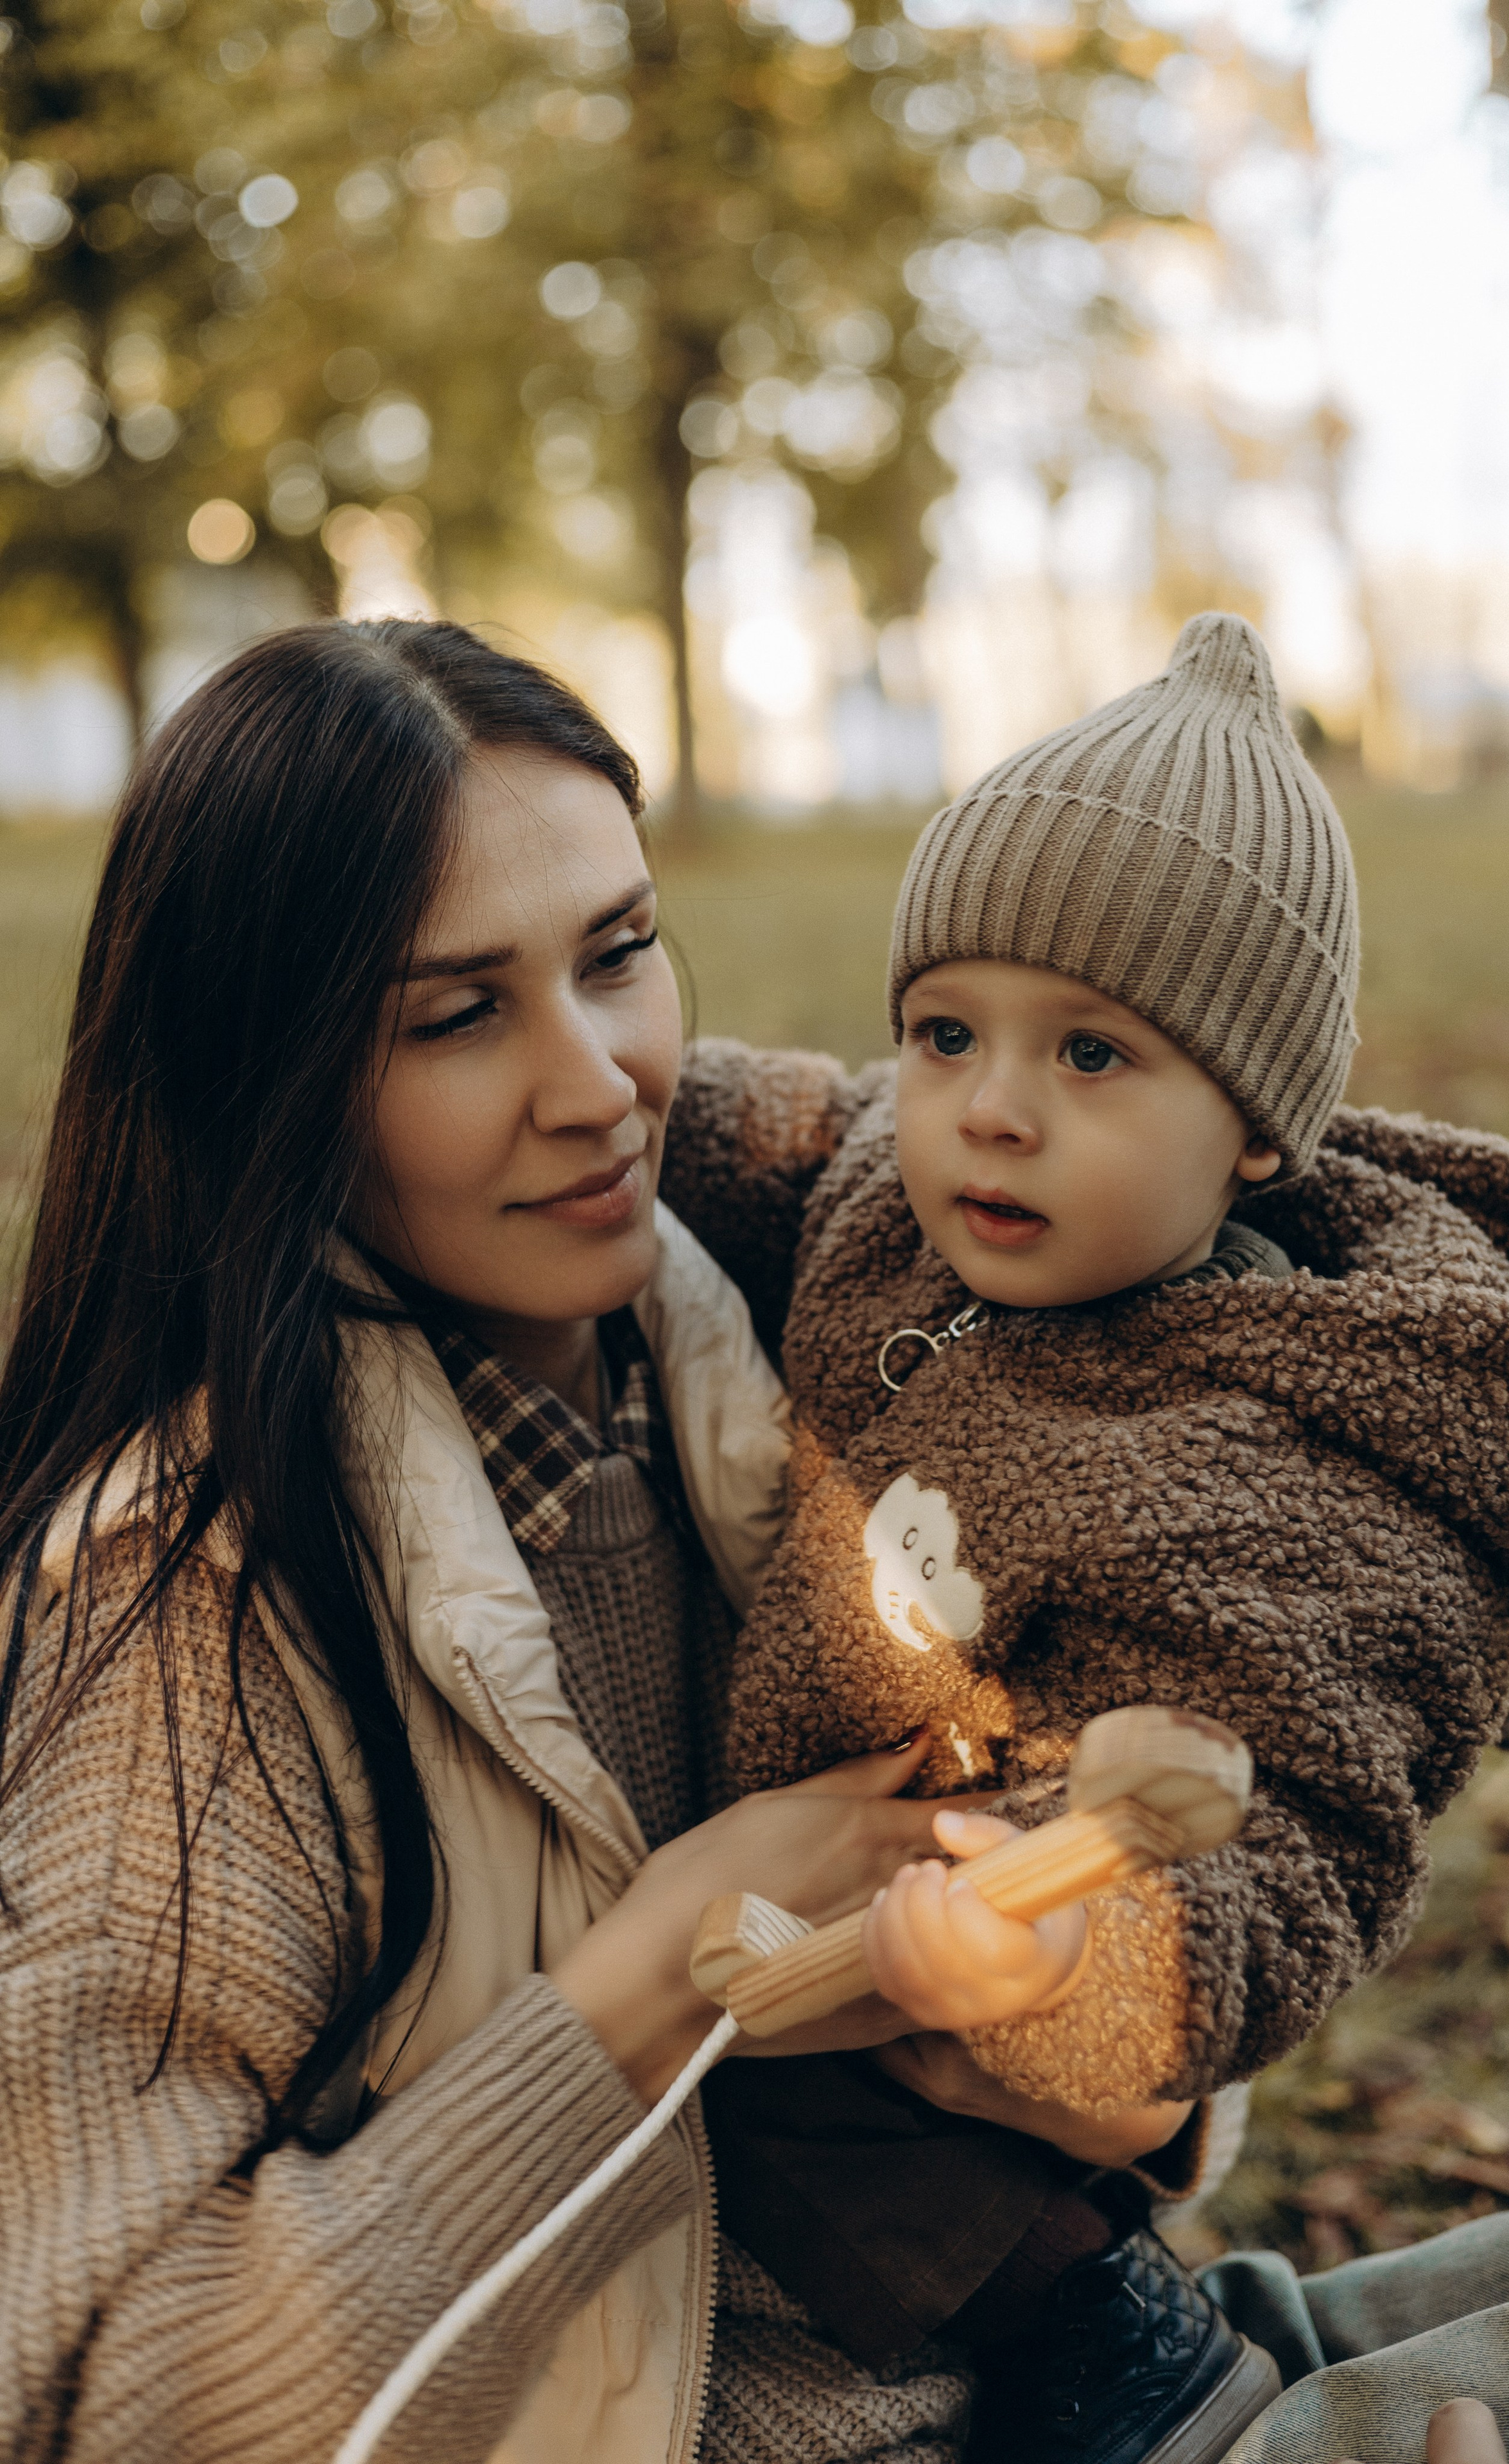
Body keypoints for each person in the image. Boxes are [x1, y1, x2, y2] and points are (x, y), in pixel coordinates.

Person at [0, 618, 1187, 2464]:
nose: (601, 1080)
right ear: (269, 1078)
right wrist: (651, 1984)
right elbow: (106, 2404)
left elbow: (1128, 2056)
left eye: (619, 955)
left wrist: (1081, 2066)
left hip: (1103, 2372)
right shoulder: (184, 1623)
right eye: (457, 1014)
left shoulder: (823, 1357)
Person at [658, 612, 1509, 2464]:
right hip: (804, 2004)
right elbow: (763, 1123)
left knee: (990, 2264)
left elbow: (1296, 1859)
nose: (991, 1108)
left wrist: (1078, 1971)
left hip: (1003, 2083)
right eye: (946, 1028)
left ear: (1259, 1130)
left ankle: (1171, 2393)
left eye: (1094, 1055)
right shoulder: (902, 1188)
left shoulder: (1312, 1467)